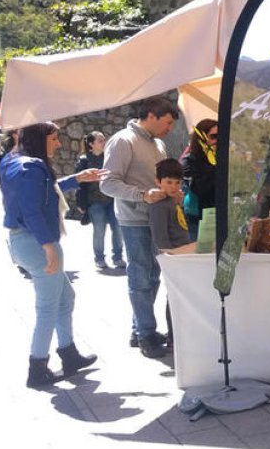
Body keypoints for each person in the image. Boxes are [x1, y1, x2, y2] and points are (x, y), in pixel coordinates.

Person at [0, 122, 105, 388]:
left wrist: (78, 178)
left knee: (65, 297)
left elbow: (46, 190)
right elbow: (32, 210)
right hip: (37, 243)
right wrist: (48, 247)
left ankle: (68, 354)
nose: (58, 144)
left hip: (22, 241)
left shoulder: (14, 160)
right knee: (47, 307)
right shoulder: (32, 167)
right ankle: (37, 368)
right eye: (54, 139)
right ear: (40, 139)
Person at [100, 96, 178, 359]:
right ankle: (146, 334)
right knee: (141, 278)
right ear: (151, 116)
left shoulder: (159, 144)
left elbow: (164, 182)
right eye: (167, 123)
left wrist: (174, 193)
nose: (169, 129)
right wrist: (142, 195)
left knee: (152, 276)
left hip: (157, 221)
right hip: (134, 221)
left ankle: (140, 330)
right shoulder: (123, 140)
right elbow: (107, 183)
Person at [149, 158, 191, 343]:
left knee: (179, 295)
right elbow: (160, 237)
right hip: (173, 255)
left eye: (177, 182)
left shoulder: (173, 201)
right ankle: (174, 336)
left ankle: (178, 333)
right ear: (158, 182)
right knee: (173, 296)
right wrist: (169, 257)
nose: (174, 186)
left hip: (183, 252)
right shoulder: (158, 205)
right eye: (168, 182)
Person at [76, 131, 124, 270]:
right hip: (94, 201)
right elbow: (80, 184)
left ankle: (118, 257)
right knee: (99, 230)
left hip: (112, 199)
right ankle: (99, 258)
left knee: (117, 228)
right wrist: (80, 203)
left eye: (104, 139)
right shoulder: (84, 160)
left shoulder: (109, 157)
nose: (104, 142)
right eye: (100, 141)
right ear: (91, 144)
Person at [181, 119, 217, 242]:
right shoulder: (189, 161)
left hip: (221, 217)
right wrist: (216, 167)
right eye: (213, 137)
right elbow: (198, 188)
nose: (217, 141)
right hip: (199, 219)